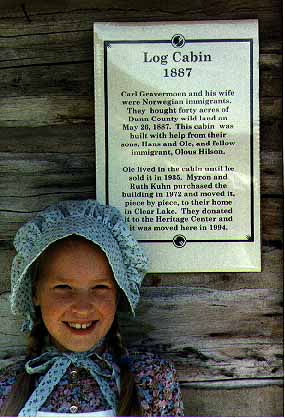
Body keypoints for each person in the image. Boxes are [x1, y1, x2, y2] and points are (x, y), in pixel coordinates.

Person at [0, 199, 184, 416]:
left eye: (99, 287)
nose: (82, 308)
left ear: (118, 293)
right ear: (34, 294)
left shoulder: (152, 381)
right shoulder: (7, 389)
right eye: (63, 287)